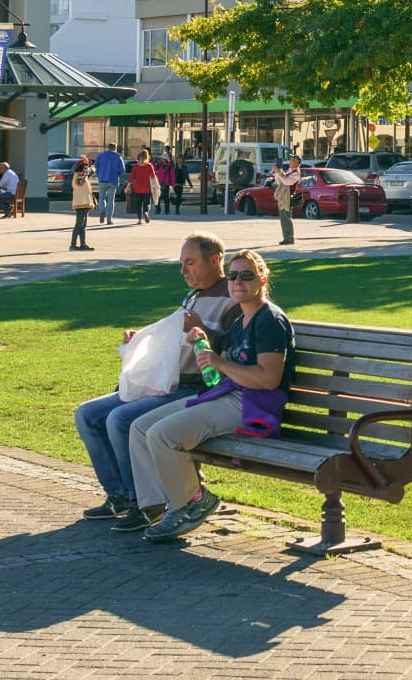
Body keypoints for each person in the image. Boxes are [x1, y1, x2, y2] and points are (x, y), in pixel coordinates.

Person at [128, 247, 294, 542]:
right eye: (232, 276)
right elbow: (225, 364)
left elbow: (269, 379)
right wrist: (204, 341)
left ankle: (190, 503)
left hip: (251, 403)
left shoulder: (270, 320)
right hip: (227, 395)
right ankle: (159, 505)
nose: (238, 281)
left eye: (246, 275)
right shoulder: (241, 319)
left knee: (162, 435)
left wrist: (219, 362)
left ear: (263, 279)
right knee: (140, 427)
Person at [77, 233, 237, 525]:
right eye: (181, 263)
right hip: (168, 382)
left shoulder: (232, 299)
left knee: (120, 419)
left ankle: (146, 502)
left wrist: (204, 332)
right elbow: (171, 332)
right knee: (87, 414)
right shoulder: (193, 295)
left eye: (190, 263)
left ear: (214, 260)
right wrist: (141, 338)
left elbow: (232, 355)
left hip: (197, 388)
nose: (183, 271)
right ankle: (120, 495)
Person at [271, 156, 301, 245]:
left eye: (293, 160)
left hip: (288, 195)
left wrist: (280, 173)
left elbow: (287, 182)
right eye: (291, 160)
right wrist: (277, 172)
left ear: (298, 163)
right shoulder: (290, 171)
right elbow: (279, 181)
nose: (290, 162)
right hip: (284, 195)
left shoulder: (296, 172)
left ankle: (289, 238)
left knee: (286, 217)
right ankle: (287, 237)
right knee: (283, 217)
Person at [93, 142, 126, 225]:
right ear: (115, 148)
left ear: (107, 147)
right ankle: (109, 219)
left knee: (101, 198)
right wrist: (116, 175)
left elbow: (95, 167)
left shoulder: (101, 155)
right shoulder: (118, 156)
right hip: (113, 180)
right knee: (111, 200)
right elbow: (122, 169)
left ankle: (102, 211)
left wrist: (99, 174)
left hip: (102, 180)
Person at [69, 158, 96, 251]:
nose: (87, 168)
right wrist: (89, 167)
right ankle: (73, 244)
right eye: (85, 167)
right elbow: (85, 173)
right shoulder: (79, 176)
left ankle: (83, 244)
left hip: (84, 203)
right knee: (79, 224)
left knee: (82, 225)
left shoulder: (81, 176)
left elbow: (86, 176)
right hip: (81, 203)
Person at [127, 149, 156, 225]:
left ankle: (139, 220)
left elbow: (131, 178)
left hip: (137, 188)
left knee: (138, 204)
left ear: (139, 157)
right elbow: (153, 176)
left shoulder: (136, 166)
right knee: (147, 203)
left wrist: (127, 187)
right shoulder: (149, 165)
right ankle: (146, 213)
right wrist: (156, 186)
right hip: (146, 188)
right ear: (147, 157)